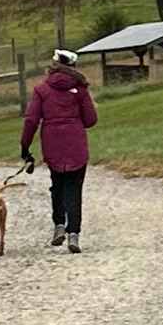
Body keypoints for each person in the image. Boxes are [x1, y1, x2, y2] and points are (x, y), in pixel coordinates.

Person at [19, 44, 99, 249]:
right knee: (74, 188)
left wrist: (25, 146)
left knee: (57, 185)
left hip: (52, 144)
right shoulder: (81, 89)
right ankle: (74, 234)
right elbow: (90, 120)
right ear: (73, 66)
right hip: (76, 144)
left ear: (54, 65)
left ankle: (59, 225)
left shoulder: (41, 90)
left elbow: (31, 120)